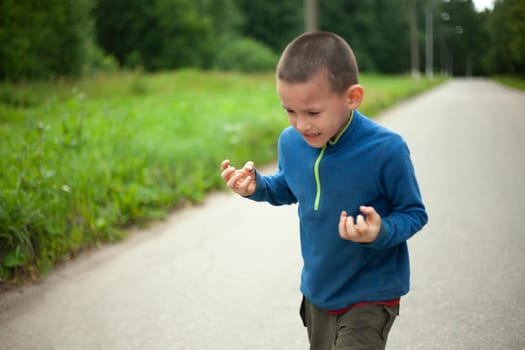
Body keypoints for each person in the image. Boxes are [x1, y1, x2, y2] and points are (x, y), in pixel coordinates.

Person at [220, 31, 428, 350]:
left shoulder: (386, 149)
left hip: (370, 294)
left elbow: (414, 213)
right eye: (290, 111)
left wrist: (380, 230)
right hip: (318, 290)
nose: (301, 125)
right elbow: (290, 187)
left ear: (352, 97)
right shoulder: (291, 142)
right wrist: (258, 188)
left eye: (313, 113)